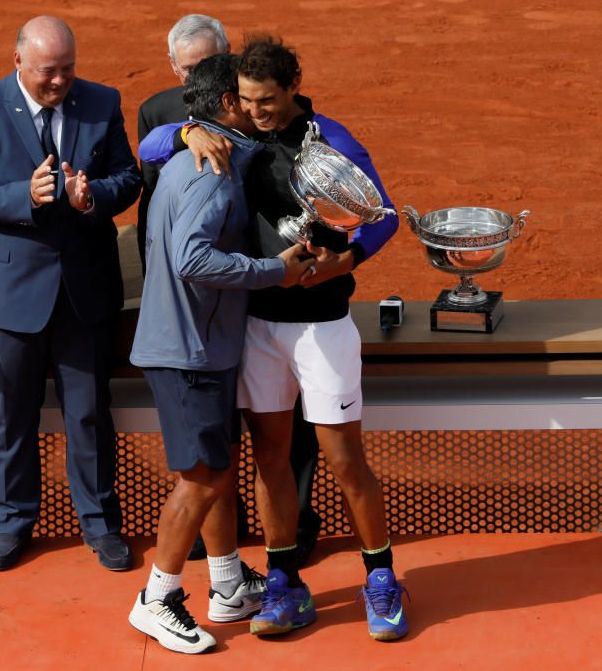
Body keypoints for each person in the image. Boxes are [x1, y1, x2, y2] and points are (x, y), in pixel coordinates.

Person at [138, 36, 408, 640]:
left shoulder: (331, 138)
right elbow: (149, 144)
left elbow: (382, 215)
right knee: (269, 457)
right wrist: (186, 134)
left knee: (344, 460)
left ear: (292, 89)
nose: (256, 113)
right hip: (256, 325)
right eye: (247, 101)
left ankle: (381, 577)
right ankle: (283, 579)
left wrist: (346, 261)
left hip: (322, 324)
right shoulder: (229, 132)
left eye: (267, 101)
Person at [127, 54, 313, 654]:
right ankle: (156, 598)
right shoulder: (213, 172)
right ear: (228, 105)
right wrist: (274, 271)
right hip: (189, 352)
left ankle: (228, 584)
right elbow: (193, 259)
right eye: (246, 98)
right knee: (202, 479)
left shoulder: (193, 157)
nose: (258, 106)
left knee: (216, 470)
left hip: (194, 346)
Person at [0, 16, 142, 573]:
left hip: (83, 289)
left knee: (88, 413)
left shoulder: (102, 102)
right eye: (46, 72)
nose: (59, 82)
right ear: (18, 63)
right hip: (8, 293)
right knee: (11, 414)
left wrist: (91, 198)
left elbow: (126, 179)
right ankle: (11, 524)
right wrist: (24, 195)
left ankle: (101, 524)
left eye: (67, 69)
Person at [136, 14, 230, 273]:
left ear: (228, 53)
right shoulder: (155, 111)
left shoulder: (253, 105)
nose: (200, 78)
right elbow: (152, 195)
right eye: (189, 69)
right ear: (173, 65)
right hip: (182, 257)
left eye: (208, 64)